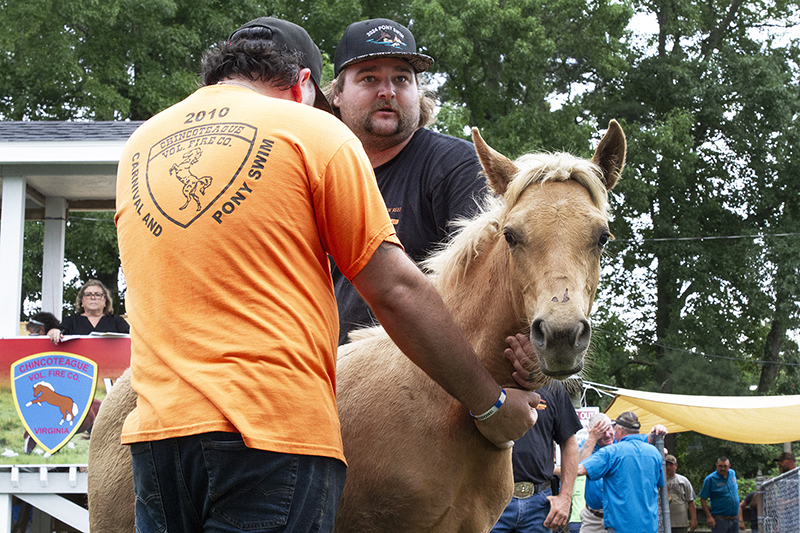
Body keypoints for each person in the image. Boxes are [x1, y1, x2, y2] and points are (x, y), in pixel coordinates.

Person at [114, 16, 539, 532]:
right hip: (272, 436)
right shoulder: (314, 131)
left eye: (402, 78)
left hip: (160, 438)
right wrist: (491, 404)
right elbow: (396, 289)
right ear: (308, 86)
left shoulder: (142, 146)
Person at [326, 18, 486, 344]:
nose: (388, 91)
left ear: (417, 91)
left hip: (417, 374)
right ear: (337, 94)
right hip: (317, 373)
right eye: (369, 78)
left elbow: (484, 288)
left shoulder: (455, 166)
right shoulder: (321, 172)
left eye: (401, 78)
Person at [490, 336, 582, 533]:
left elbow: (569, 443)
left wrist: (565, 498)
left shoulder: (553, 387)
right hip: (491, 501)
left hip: (539, 503)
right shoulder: (487, 383)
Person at [577, 411, 665, 533]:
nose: (608, 435)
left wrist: (658, 430)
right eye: (602, 432)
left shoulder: (616, 447)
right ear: (592, 432)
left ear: (618, 429)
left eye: (610, 429)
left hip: (620, 520)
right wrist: (592, 438)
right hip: (594, 517)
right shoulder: (591, 445)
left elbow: (657, 445)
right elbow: (579, 466)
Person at [47, 280, 129, 344]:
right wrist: (54, 332)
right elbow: (56, 332)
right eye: (88, 295)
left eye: (97, 295)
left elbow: (132, 338)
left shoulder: (116, 321)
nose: (93, 297)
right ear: (81, 300)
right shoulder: (71, 321)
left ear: (105, 300)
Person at [699, 457, 740, 533]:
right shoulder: (710, 479)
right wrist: (709, 517)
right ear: (717, 466)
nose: (723, 468)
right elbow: (702, 499)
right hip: (720, 520)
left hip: (734, 519)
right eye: (720, 466)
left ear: (729, 466)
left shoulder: (732, 473)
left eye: (725, 466)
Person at [665, 454, 698, 533]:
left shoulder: (683, 481)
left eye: (671, 465)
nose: (668, 467)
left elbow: (690, 501)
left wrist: (694, 519)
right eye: (666, 465)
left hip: (680, 522)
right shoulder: (659, 481)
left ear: (676, 466)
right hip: (664, 522)